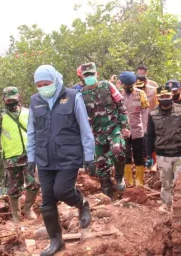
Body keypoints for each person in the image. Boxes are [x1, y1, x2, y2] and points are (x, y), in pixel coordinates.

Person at [27, 65, 95, 256]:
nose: (43, 87)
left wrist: (89, 155)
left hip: (68, 156)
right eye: (39, 85)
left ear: (55, 80)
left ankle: (82, 204)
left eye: (46, 83)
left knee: (62, 191)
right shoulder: (35, 101)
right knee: (47, 202)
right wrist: (31, 158)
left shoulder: (73, 97)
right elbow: (31, 132)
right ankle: (56, 241)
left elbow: (85, 128)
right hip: (44, 158)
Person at [0, 86, 40, 223]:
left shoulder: (28, 113)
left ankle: (28, 208)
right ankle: (16, 217)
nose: (10, 102)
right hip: (11, 158)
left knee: (34, 183)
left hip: (30, 155)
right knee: (13, 189)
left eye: (13, 99)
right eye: (8, 99)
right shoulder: (0, 117)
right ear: (4, 100)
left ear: (18, 98)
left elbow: (38, 132)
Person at [146, 87, 181, 212]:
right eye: (162, 97)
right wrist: (149, 155)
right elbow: (149, 135)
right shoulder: (153, 114)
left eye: (167, 96)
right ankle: (166, 204)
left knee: (180, 181)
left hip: (180, 152)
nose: (165, 99)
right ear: (158, 98)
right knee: (166, 182)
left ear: (171, 96)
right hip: (163, 153)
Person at [80, 62, 130, 198]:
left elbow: (121, 106)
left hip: (114, 128)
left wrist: (125, 126)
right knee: (100, 164)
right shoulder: (82, 94)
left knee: (117, 151)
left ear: (96, 74)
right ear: (83, 77)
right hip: (96, 133)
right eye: (86, 75)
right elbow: (82, 117)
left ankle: (119, 177)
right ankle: (107, 193)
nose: (89, 77)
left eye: (91, 74)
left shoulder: (107, 86)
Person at [120, 71, 149, 186]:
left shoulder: (140, 94)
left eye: (129, 85)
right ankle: (128, 181)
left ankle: (139, 181)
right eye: (125, 85)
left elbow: (145, 113)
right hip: (123, 131)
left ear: (133, 84)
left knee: (139, 156)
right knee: (125, 156)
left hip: (138, 130)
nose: (127, 87)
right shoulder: (118, 95)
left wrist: (146, 130)